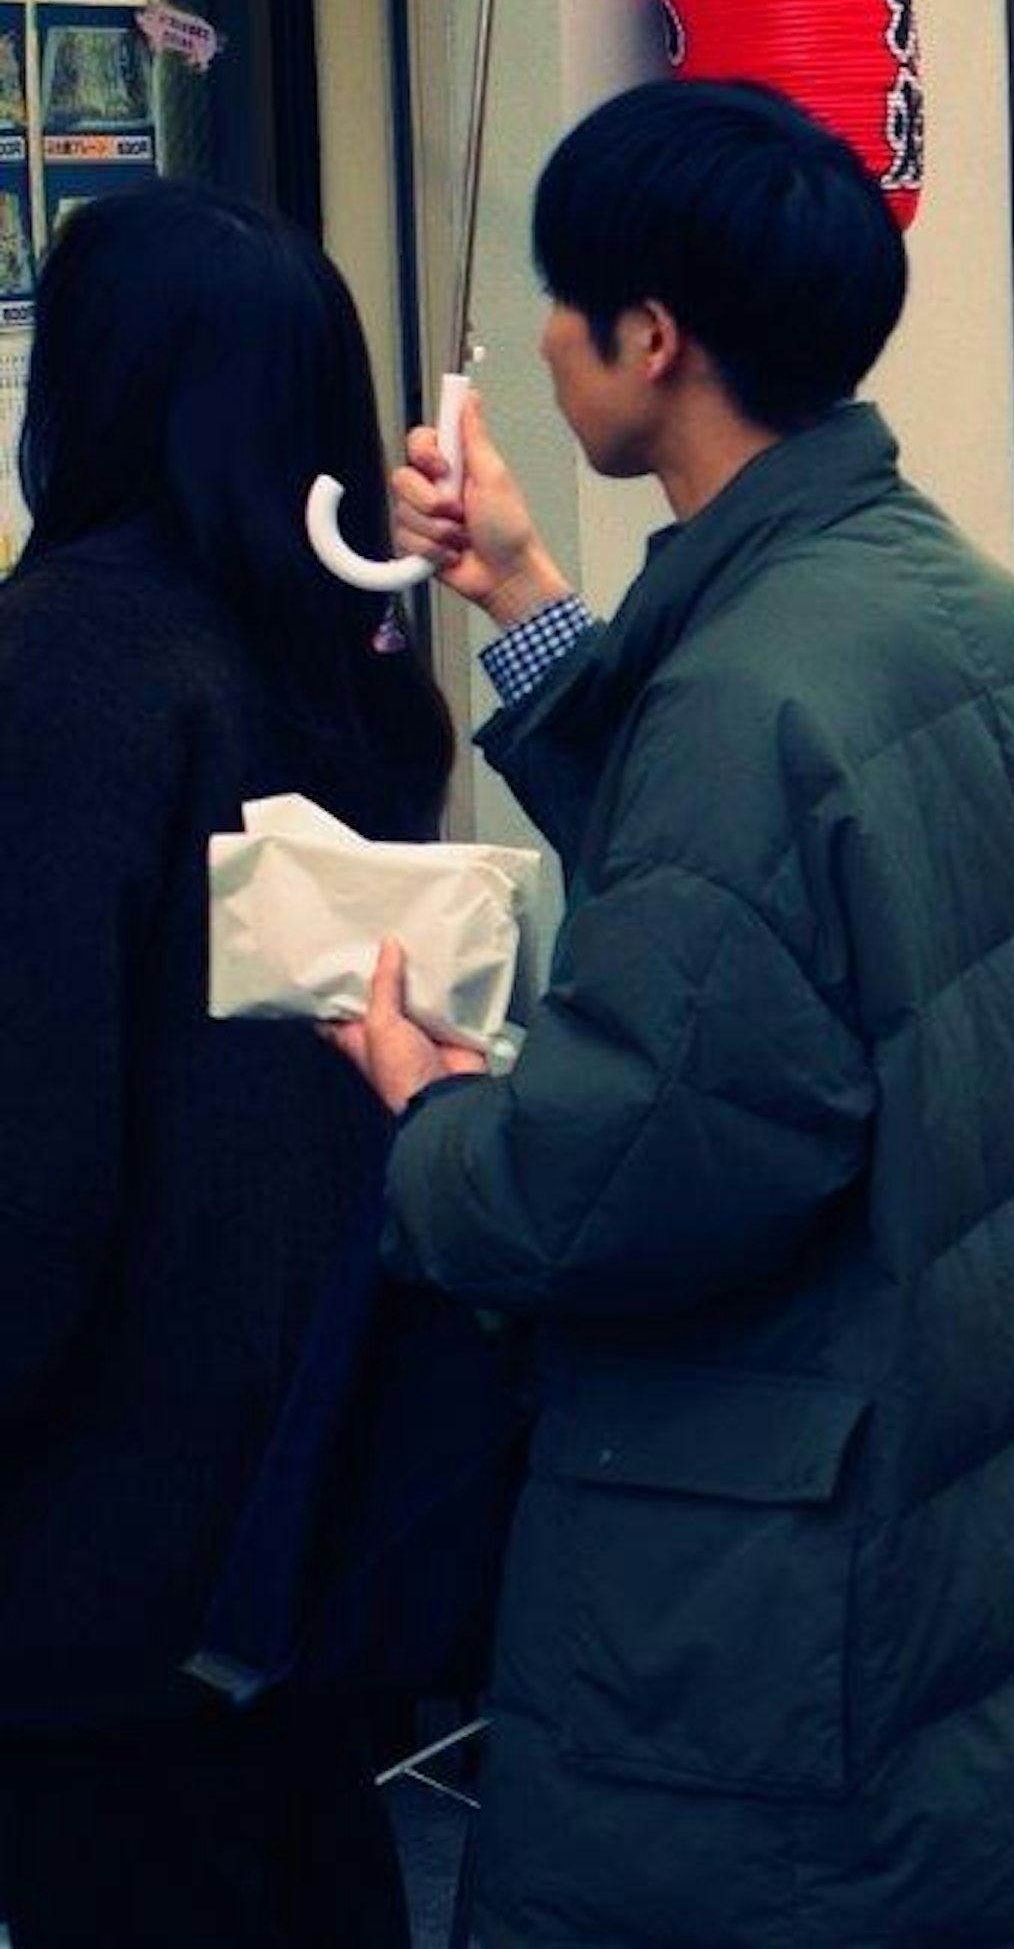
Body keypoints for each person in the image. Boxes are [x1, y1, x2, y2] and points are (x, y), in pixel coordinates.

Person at [333, 82, 1014, 1940]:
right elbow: (755, 901)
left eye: (569, 300)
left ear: (654, 337)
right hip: (954, 1447)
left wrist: (435, 1117)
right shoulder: (938, 594)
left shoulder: (751, 684)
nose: (542, 340)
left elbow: (633, 1160)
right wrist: (526, 588)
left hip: (772, 1523)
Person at [0, 188, 454, 1946]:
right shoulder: (341, 678)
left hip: (102, 1538)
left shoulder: (75, 662)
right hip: (311, 1506)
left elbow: (34, 1148)